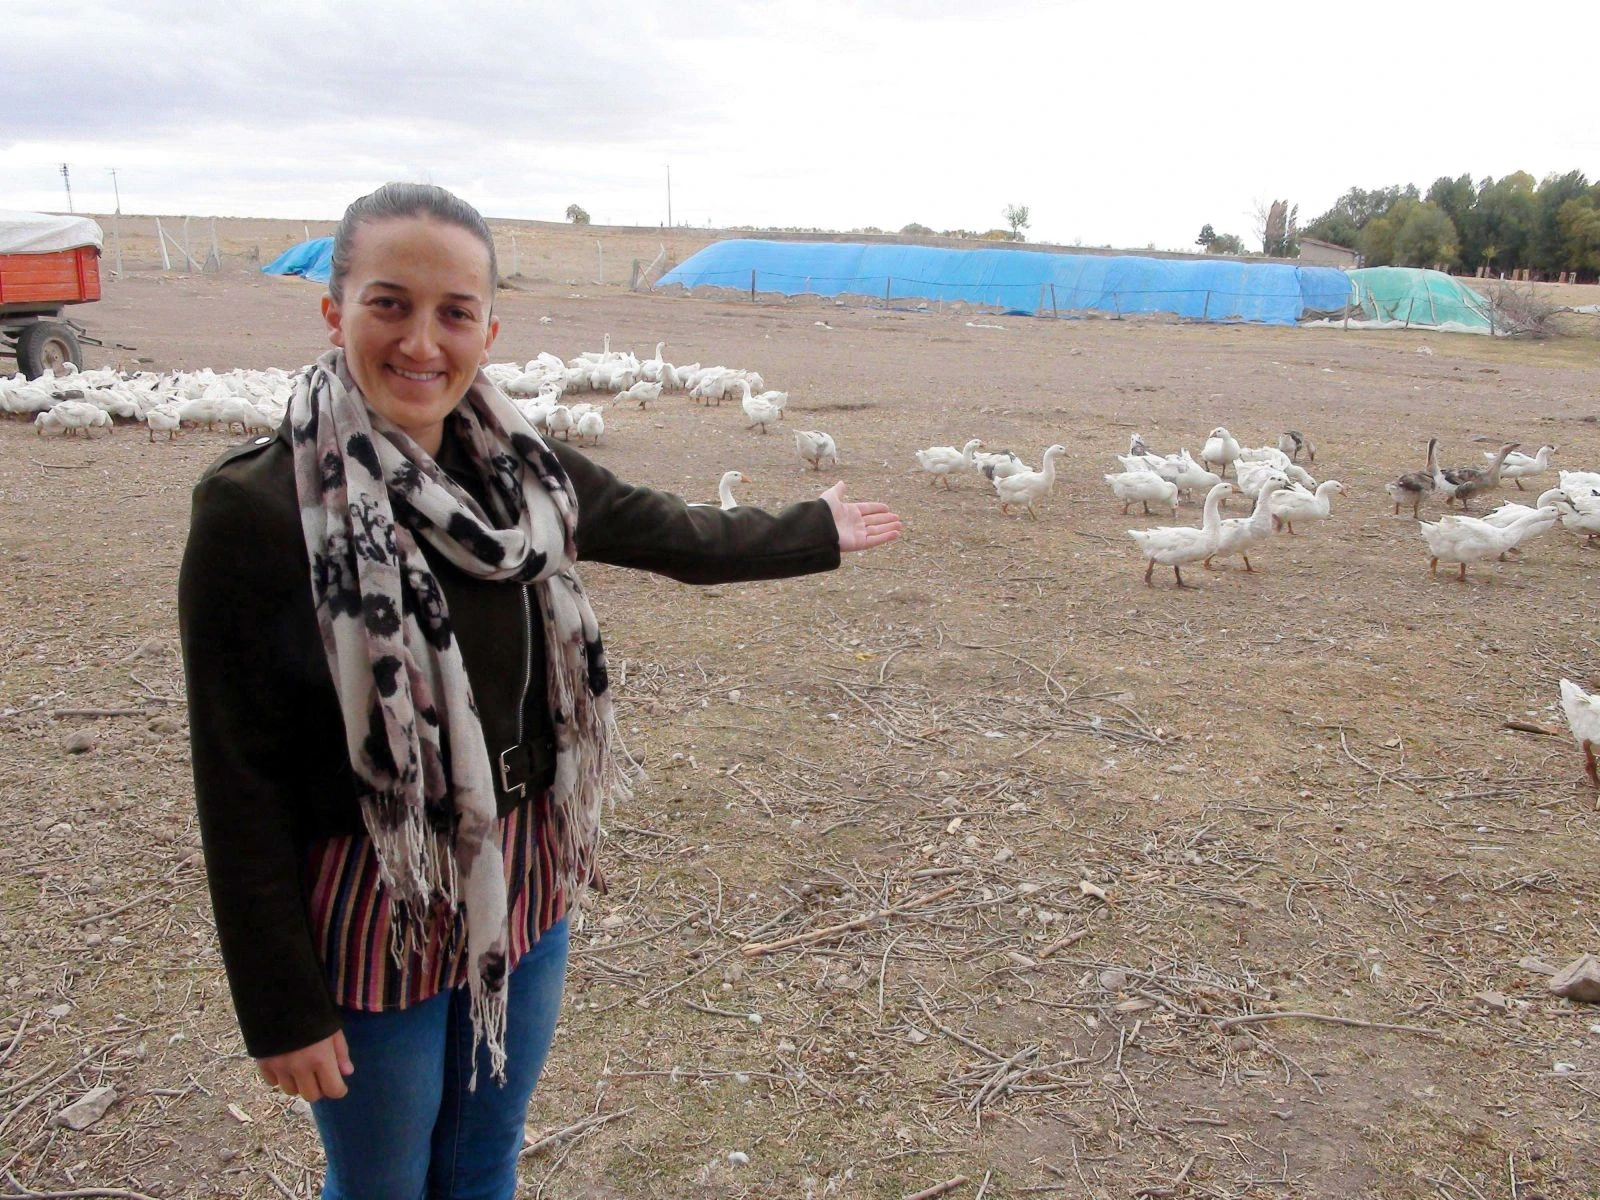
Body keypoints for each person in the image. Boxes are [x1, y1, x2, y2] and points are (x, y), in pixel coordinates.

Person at [178, 182, 901, 1199]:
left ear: (489, 328)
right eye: (389, 303)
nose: (422, 340)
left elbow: (668, 531)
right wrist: (282, 1009)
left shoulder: (521, 471)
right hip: (376, 890)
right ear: (333, 310)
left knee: (482, 1160)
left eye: (455, 312)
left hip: (525, 873)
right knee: (383, 1181)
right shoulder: (255, 511)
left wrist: (810, 531)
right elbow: (237, 777)